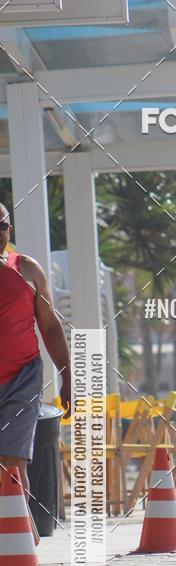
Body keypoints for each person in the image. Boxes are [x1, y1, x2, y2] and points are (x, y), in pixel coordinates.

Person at [0, 202, 71, 526]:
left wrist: (67, 374)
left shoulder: (26, 269)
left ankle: (19, 541)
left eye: (1, 225)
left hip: (23, 377)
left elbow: (51, 326)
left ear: (9, 230)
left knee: (13, 462)